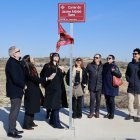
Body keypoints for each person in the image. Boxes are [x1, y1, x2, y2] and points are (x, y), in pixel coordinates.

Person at [40, 52, 68, 129]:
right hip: (51, 88)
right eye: (55, 56)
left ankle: (52, 120)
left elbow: (60, 77)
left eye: (58, 56)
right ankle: (57, 124)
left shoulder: (58, 67)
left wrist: (63, 72)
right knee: (56, 106)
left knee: (56, 105)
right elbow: (42, 75)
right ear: (51, 57)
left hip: (59, 88)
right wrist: (45, 82)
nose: (57, 57)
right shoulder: (47, 66)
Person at [5, 46, 25, 138]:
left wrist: (21, 61)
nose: (20, 52)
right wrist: (24, 85)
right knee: (14, 111)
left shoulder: (15, 62)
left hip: (17, 90)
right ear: (13, 54)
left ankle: (14, 128)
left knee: (16, 111)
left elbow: (22, 71)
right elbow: (16, 78)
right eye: (18, 51)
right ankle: (11, 131)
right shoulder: (11, 63)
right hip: (14, 90)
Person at [21, 55, 45, 130]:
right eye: (31, 58)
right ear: (28, 60)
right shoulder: (27, 68)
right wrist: (46, 78)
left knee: (33, 106)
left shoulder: (31, 67)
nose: (33, 58)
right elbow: (34, 78)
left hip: (34, 89)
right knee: (30, 107)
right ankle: (26, 124)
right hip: (31, 89)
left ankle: (31, 122)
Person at [102, 55, 122, 119]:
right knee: (107, 100)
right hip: (105, 86)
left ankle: (112, 114)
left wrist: (114, 71)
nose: (108, 59)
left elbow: (119, 75)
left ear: (113, 59)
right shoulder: (104, 65)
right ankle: (108, 113)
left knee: (111, 101)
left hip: (112, 87)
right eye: (107, 58)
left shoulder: (114, 66)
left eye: (109, 58)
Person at [125, 48, 140, 122]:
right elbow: (127, 73)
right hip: (131, 86)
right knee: (130, 102)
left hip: (139, 87)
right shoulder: (130, 64)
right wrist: (129, 79)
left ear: (139, 55)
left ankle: (138, 115)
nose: (134, 55)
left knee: (139, 103)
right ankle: (131, 114)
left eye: (136, 53)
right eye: (133, 53)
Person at [86, 54, 103, 118]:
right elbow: (85, 74)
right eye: (94, 57)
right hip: (92, 86)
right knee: (92, 100)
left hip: (99, 86)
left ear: (100, 59)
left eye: (97, 57)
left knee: (98, 100)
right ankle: (91, 112)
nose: (95, 58)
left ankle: (97, 112)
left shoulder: (102, 66)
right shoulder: (89, 65)